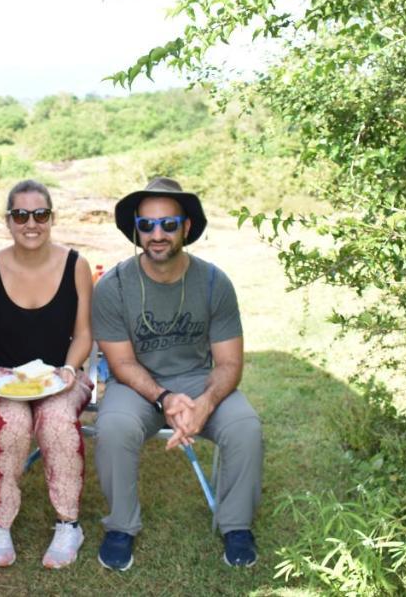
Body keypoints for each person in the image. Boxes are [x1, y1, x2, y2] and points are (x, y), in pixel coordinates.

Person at [91, 177, 264, 570]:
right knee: (114, 427)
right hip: (136, 386)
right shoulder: (113, 286)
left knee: (245, 427)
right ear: (136, 228)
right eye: (147, 224)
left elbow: (229, 364)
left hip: (199, 381)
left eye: (169, 224)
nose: (157, 234)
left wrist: (204, 403)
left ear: (186, 227)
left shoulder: (214, 282)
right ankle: (121, 526)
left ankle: (235, 525)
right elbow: (121, 364)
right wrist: (164, 399)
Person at [0, 179, 94, 569]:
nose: (30, 223)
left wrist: (71, 368)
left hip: (60, 375)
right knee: (14, 425)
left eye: (40, 214)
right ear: (9, 221)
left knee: (56, 421)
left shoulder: (76, 265)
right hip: (1, 375)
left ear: (52, 218)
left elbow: (85, 333)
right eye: (21, 215)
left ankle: (69, 524)